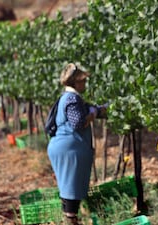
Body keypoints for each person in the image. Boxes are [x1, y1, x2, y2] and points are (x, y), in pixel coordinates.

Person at [47, 63, 106, 225]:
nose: (85, 84)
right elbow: (78, 122)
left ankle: (70, 219)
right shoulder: (72, 99)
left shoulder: (68, 97)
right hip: (68, 149)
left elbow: (89, 110)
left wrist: (100, 110)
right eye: (82, 81)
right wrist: (93, 114)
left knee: (68, 185)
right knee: (71, 186)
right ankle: (71, 221)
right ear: (75, 83)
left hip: (65, 147)